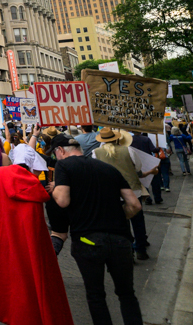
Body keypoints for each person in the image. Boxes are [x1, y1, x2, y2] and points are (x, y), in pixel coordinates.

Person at [50, 134, 144, 325]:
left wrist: (54, 188)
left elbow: (62, 200)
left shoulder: (64, 166)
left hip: (88, 240)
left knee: (96, 295)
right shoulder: (109, 169)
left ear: (60, 151)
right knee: (127, 293)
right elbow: (134, 205)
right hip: (120, 240)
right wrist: (115, 217)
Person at [0, 161, 72, 325]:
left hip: (0, 243)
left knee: (9, 289)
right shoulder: (33, 190)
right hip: (26, 248)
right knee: (33, 281)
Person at [93, 127, 154, 260]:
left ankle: (127, 252)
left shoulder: (95, 153)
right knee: (138, 221)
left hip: (110, 193)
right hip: (132, 190)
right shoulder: (129, 150)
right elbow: (138, 168)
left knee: (121, 224)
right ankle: (140, 249)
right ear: (117, 139)